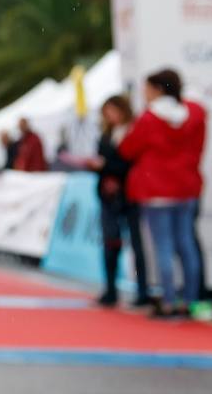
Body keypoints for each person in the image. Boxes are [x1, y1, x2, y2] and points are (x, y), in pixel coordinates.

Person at [119, 68, 212, 320]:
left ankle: (168, 301)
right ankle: (191, 300)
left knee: (163, 246)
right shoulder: (195, 114)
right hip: (186, 187)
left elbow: (128, 149)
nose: (144, 94)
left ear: (158, 89)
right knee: (186, 244)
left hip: (156, 189)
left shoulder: (149, 118)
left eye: (147, 88)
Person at [87, 95, 149, 308]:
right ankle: (111, 289)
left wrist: (105, 165)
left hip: (130, 194)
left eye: (112, 111)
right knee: (110, 243)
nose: (109, 116)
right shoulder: (106, 134)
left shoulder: (133, 132)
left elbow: (129, 163)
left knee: (137, 245)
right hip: (108, 196)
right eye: (106, 112)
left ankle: (143, 291)